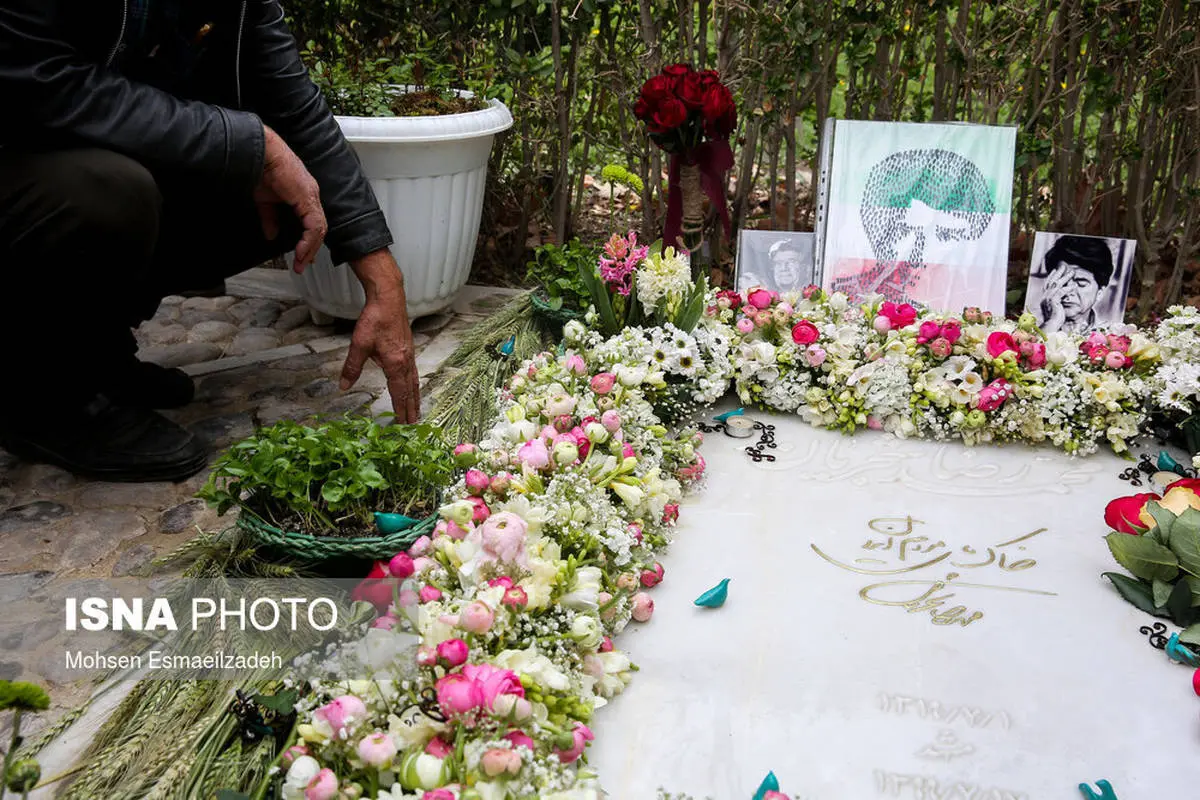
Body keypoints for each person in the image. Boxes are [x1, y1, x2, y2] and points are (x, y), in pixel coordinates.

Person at [0, 1, 421, 483]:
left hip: (79, 156)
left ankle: (93, 355)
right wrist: (246, 144)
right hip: (19, 159)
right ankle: (44, 398)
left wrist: (382, 278)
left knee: (299, 193)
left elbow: (297, 108)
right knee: (111, 192)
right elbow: (42, 84)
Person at [831, 148, 995, 306]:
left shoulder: (965, 301)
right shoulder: (840, 301)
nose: (917, 256)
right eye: (906, 232)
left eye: (946, 236)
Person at [1033, 235, 1114, 334]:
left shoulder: (1111, 334)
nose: (1067, 292)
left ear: (1100, 292)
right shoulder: (1027, 325)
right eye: (1062, 282)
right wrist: (1051, 323)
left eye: (1081, 284)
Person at [738, 237, 813, 295]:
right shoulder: (758, 288)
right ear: (772, 268)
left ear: (803, 266)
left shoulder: (811, 294)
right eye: (778, 263)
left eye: (791, 262)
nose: (784, 268)